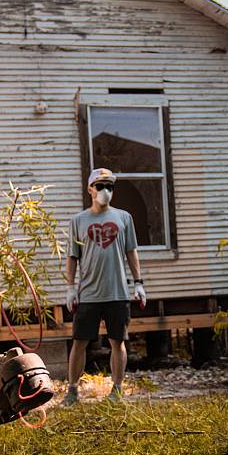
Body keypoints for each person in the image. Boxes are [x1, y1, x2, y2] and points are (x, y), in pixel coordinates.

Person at [62, 168, 146, 405]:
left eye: (110, 187)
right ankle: (72, 391)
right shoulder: (78, 221)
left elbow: (131, 251)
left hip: (117, 293)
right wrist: (71, 287)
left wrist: (139, 284)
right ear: (90, 189)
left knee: (117, 342)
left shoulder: (124, 218)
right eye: (100, 186)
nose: (105, 191)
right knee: (79, 342)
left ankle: (117, 390)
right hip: (88, 293)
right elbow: (72, 255)